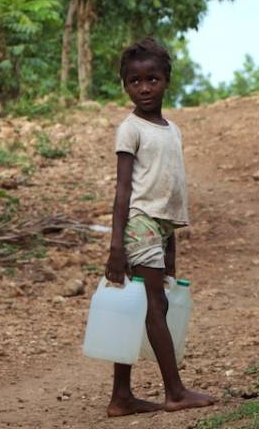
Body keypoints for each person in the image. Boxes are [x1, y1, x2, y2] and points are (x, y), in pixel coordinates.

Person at [104, 37, 216, 417]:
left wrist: (171, 247)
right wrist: (115, 246)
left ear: (167, 80)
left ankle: (121, 396)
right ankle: (175, 391)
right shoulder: (129, 129)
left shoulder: (172, 130)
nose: (144, 88)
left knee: (143, 305)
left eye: (152, 79)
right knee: (155, 305)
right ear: (125, 86)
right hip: (138, 223)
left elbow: (168, 192)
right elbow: (123, 190)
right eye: (135, 81)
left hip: (159, 227)